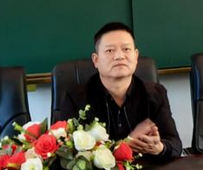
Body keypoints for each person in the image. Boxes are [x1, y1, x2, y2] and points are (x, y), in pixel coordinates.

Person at [55, 21, 181, 162]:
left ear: (136, 56)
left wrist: (159, 148)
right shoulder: (75, 98)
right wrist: (126, 145)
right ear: (96, 60)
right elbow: (67, 152)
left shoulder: (156, 94)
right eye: (110, 51)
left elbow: (175, 145)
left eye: (126, 49)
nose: (119, 56)